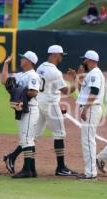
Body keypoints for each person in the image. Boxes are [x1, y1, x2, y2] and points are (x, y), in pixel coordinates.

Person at [35, 45, 77, 176]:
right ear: (54, 55)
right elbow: (67, 91)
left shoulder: (41, 66)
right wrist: (75, 78)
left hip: (39, 102)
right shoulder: (55, 72)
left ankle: (12, 157)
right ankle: (61, 168)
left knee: (34, 134)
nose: (61, 57)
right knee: (59, 134)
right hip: (50, 104)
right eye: (60, 55)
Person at [2, 51, 41, 178]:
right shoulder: (21, 75)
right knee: (27, 139)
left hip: (30, 110)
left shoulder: (33, 76)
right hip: (22, 110)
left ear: (28, 61)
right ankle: (32, 169)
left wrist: (19, 91)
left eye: (23, 58)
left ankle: (26, 170)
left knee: (26, 139)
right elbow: (4, 81)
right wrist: (6, 64)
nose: (21, 59)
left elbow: (34, 92)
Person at [76, 50, 105, 180]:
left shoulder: (95, 74)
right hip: (91, 108)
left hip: (91, 109)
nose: (84, 62)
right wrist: (77, 76)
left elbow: (93, 92)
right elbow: (83, 90)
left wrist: (85, 109)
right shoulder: (93, 74)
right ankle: (90, 171)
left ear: (90, 61)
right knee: (87, 140)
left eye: (85, 60)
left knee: (88, 140)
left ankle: (91, 173)